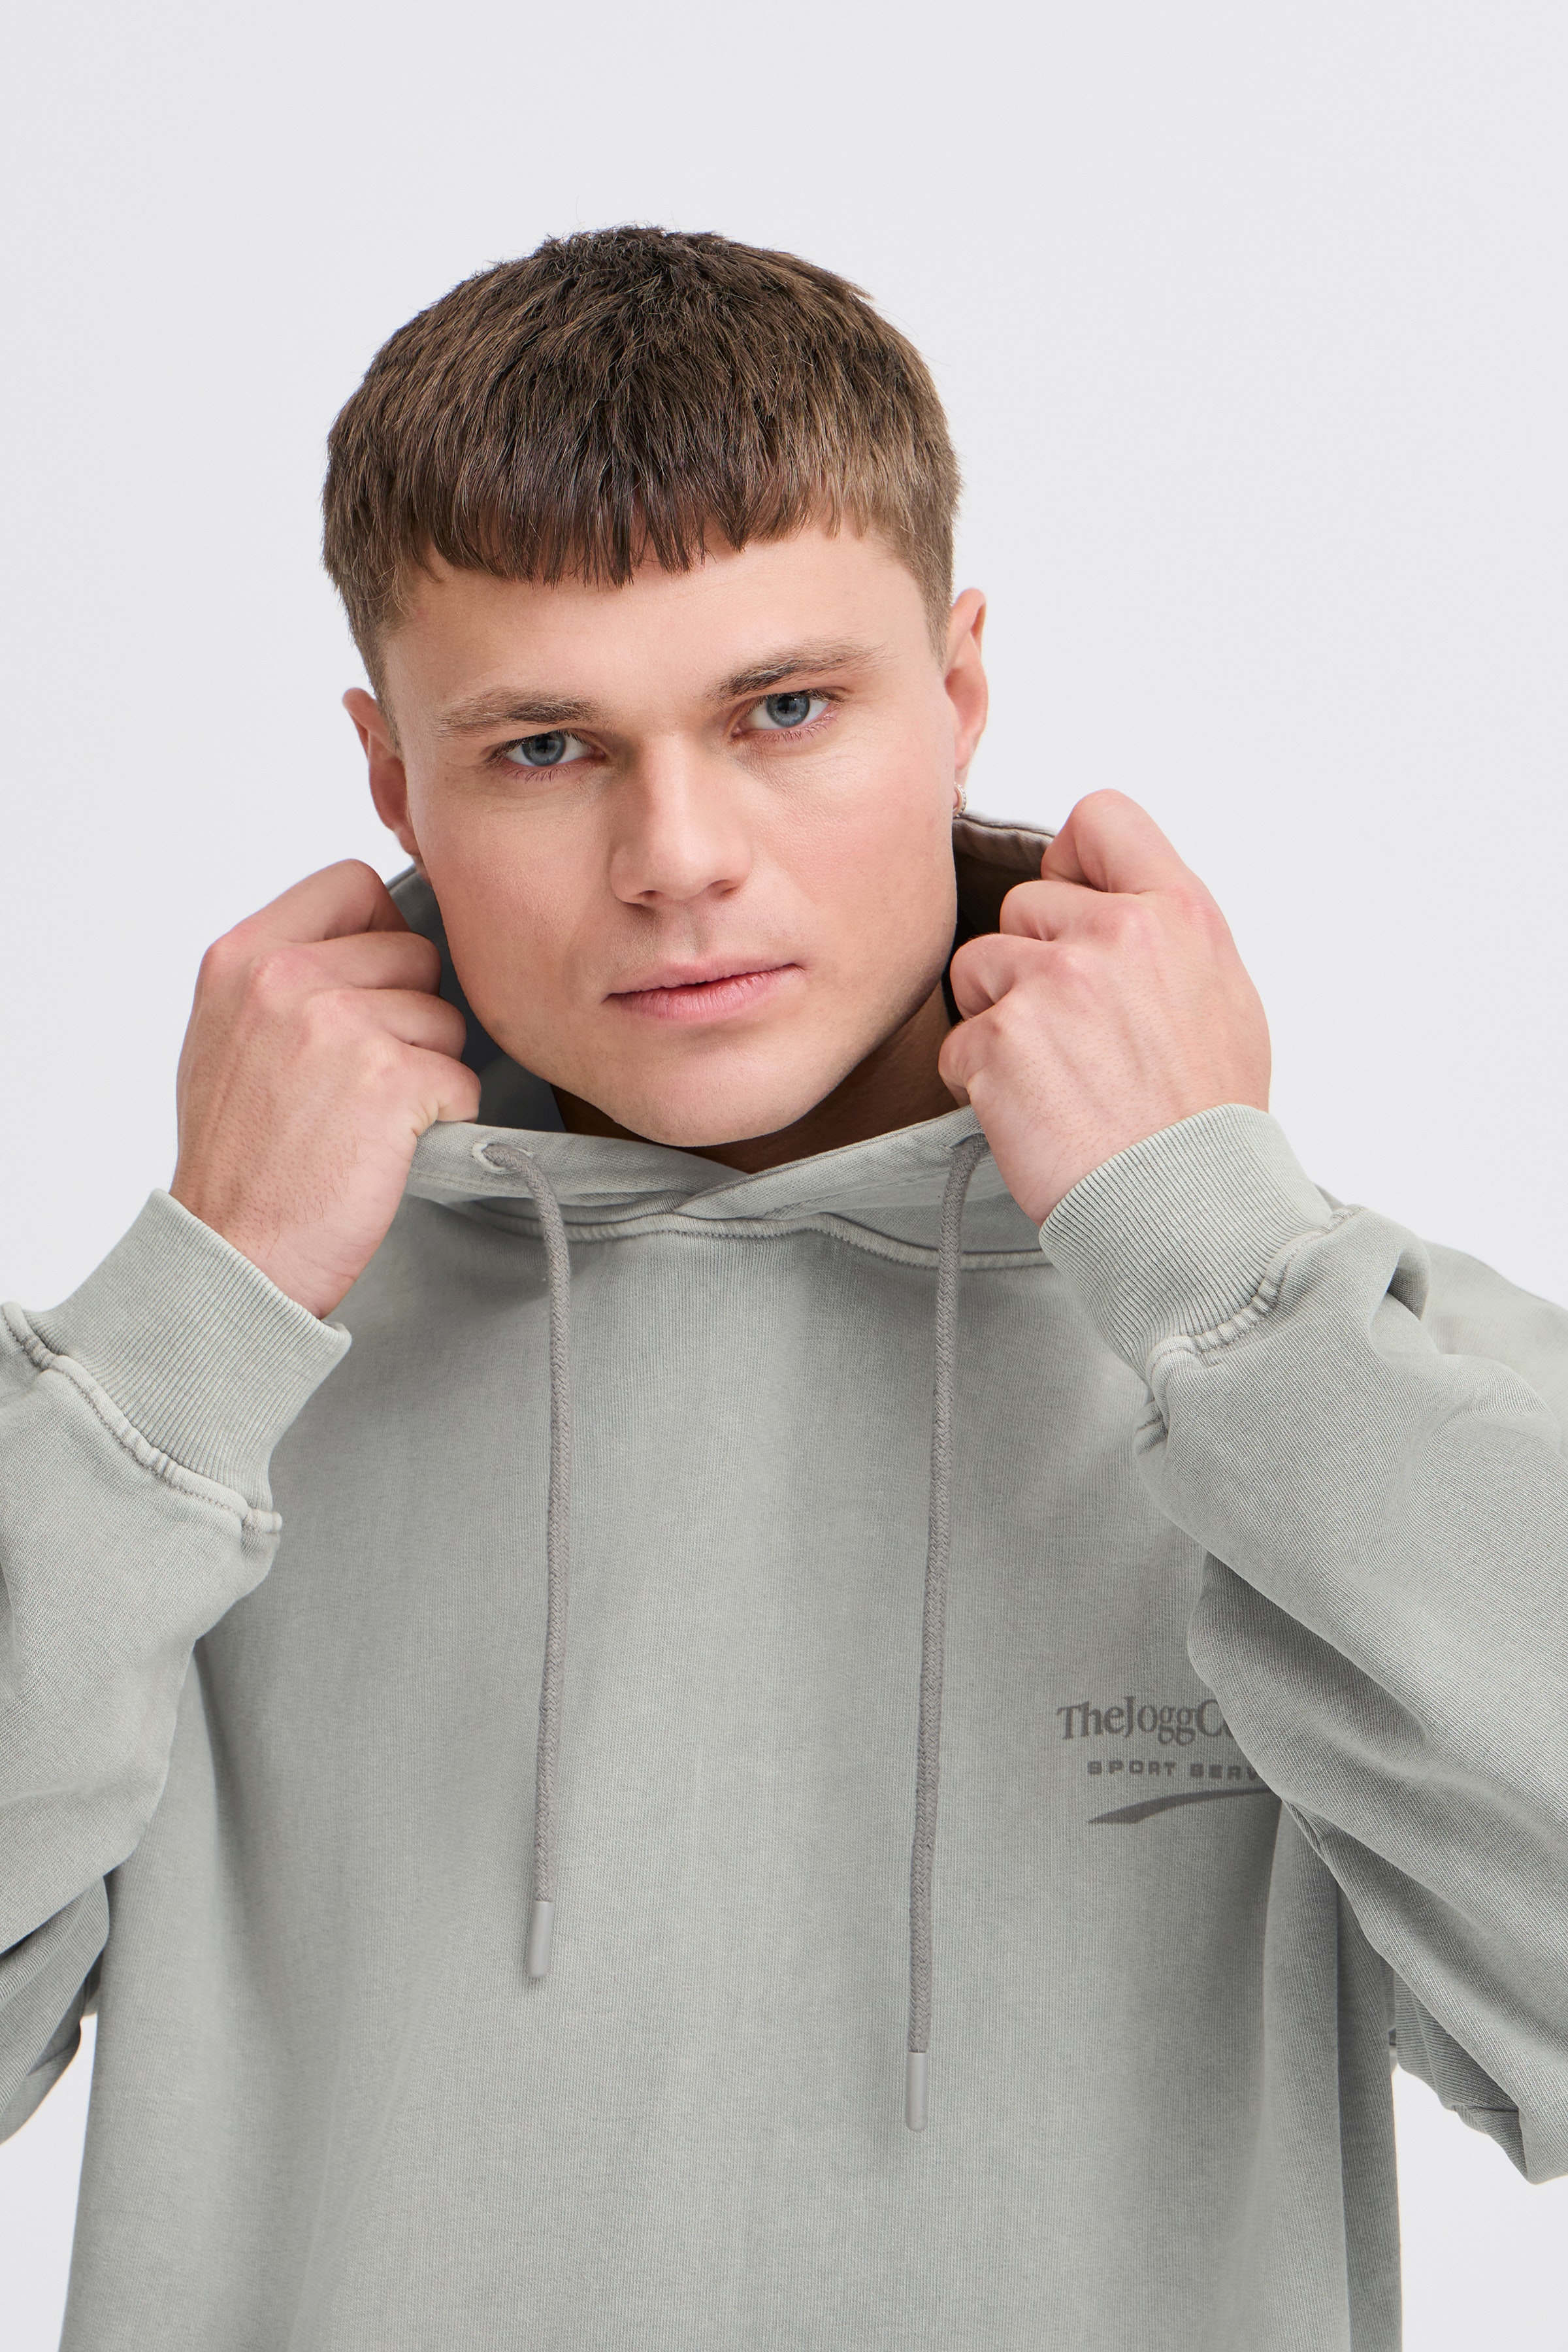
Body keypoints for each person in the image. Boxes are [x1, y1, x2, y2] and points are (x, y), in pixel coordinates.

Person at [2, 225, 1564, 2352]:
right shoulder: (187, 1399)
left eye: (787, 708)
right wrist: (195, 1313)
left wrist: (1225, 1273)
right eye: (544, 748)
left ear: (962, 695)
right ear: (391, 781)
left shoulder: (1297, 1361)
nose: (679, 857)